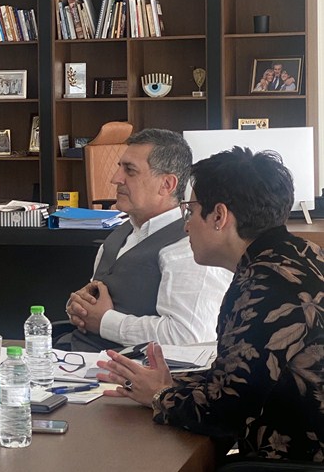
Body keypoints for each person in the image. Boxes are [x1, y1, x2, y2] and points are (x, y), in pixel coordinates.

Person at [97, 148, 323, 464]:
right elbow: (239, 377)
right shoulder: (302, 254)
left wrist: (160, 396)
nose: (186, 226)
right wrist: (170, 382)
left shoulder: (264, 287)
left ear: (219, 216)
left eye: (190, 211)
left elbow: (225, 413)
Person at [62, 129, 232, 351]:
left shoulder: (189, 248)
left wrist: (105, 322)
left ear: (167, 184)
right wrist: (78, 307)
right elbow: (98, 299)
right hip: (76, 356)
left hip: (124, 369)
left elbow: (188, 336)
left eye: (130, 171)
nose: (115, 179)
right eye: (119, 168)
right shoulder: (122, 232)